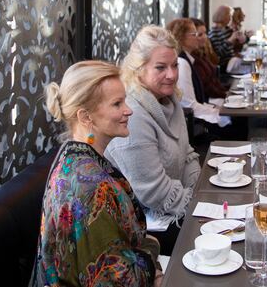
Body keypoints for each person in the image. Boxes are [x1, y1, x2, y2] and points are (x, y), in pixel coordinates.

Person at [31, 61, 162, 287]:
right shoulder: (90, 189)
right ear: (85, 117)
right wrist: (152, 253)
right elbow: (117, 281)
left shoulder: (73, 157)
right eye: (117, 104)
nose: (128, 110)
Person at [105, 26, 201, 255]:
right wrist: (199, 207)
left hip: (175, 206)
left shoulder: (168, 99)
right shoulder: (133, 113)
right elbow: (154, 192)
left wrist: (199, 192)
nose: (172, 74)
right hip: (141, 226)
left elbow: (187, 154)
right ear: (138, 69)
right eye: (160, 67)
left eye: (175, 65)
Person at [166, 18, 229, 127]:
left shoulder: (189, 59)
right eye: (194, 34)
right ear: (181, 37)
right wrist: (217, 112)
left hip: (200, 114)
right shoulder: (181, 63)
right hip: (195, 124)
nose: (198, 38)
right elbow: (188, 104)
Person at [190, 18, 227, 99]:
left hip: (216, 96)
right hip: (210, 101)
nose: (205, 37)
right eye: (200, 35)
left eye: (205, 33)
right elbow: (207, 88)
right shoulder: (192, 58)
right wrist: (226, 95)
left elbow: (213, 80)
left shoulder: (202, 53)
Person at [207, 5, 244, 74]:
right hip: (224, 67)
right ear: (223, 16)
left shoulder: (227, 29)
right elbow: (219, 54)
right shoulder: (214, 32)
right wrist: (230, 40)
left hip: (233, 63)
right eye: (229, 15)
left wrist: (243, 38)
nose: (231, 18)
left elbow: (234, 48)